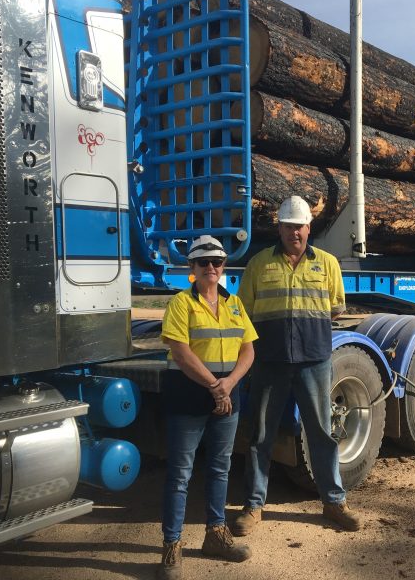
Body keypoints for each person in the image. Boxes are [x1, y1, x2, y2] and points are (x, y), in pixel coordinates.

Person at [231, 196, 362, 537]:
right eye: (288, 226)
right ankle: (253, 505)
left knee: (321, 433)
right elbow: (244, 313)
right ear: (280, 228)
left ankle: (334, 502)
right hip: (269, 363)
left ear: (309, 227)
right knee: (260, 436)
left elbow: (337, 307)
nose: (294, 232)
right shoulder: (259, 264)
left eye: (299, 226)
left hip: (314, 362)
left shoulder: (328, 264)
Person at [157, 235, 258, 580]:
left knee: (220, 468)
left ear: (223, 266)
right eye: (204, 263)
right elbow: (181, 352)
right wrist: (216, 386)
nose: (211, 268)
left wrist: (228, 384)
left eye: (217, 262)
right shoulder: (181, 303)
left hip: (227, 397)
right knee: (180, 475)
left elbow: (248, 349)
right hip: (189, 397)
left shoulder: (234, 303)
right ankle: (172, 545)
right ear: (192, 268)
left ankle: (216, 534)